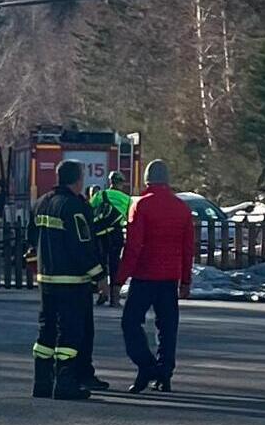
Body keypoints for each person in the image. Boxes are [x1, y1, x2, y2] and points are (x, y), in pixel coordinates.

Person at [27, 160, 109, 400]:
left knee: (47, 331)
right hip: (72, 282)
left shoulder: (40, 203)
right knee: (70, 334)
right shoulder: (74, 207)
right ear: (78, 179)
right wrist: (100, 277)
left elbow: (31, 240)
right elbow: (82, 247)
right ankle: (65, 384)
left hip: (46, 281)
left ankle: (42, 383)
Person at [116, 160, 194, 394]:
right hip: (169, 278)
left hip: (144, 275)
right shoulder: (181, 208)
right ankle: (164, 373)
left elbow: (133, 246)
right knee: (167, 327)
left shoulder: (141, 206)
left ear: (147, 180)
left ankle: (146, 365)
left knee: (130, 322)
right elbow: (188, 248)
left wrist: (120, 277)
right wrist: (186, 280)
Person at [89, 171, 132, 307]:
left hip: (100, 234)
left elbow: (89, 210)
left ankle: (103, 292)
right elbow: (130, 218)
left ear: (110, 182)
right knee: (115, 264)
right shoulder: (127, 199)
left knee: (101, 264)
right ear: (121, 184)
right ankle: (115, 298)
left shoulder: (100, 195)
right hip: (116, 234)